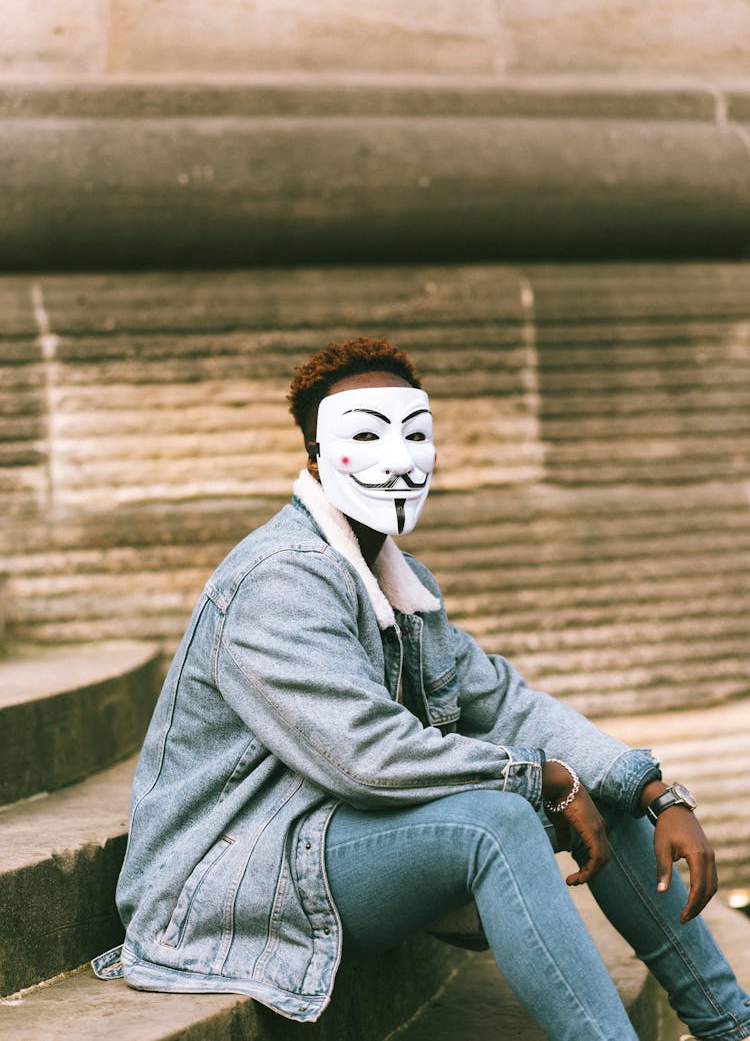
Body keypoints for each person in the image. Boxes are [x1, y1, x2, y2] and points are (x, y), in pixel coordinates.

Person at [94, 336, 750, 1041]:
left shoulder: (403, 583)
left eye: (415, 436)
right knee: (496, 821)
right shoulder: (280, 579)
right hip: (228, 877)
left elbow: (505, 703)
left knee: (600, 793)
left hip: (324, 839)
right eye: (367, 437)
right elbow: (364, 754)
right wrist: (540, 778)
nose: (398, 459)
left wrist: (655, 791)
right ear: (314, 457)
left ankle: (730, 1027)